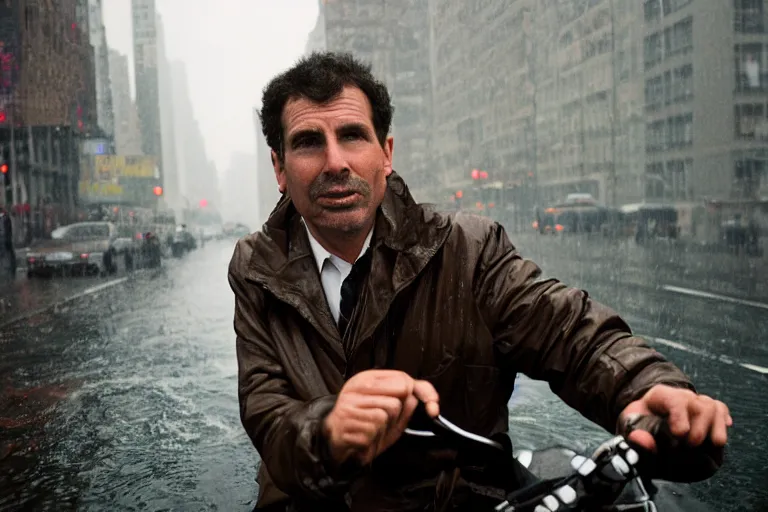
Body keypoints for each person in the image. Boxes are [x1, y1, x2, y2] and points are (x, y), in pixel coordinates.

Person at [228, 52, 731, 512]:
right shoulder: (255, 269)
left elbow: (569, 330)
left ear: (386, 153)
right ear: (279, 167)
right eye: (309, 142)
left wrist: (646, 388)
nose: (335, 163)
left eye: (353, 136)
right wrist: (329, 432)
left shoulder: (467, 247)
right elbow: (268, 414)